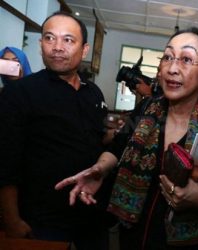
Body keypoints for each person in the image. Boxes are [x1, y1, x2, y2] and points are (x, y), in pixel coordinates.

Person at [55, 27, 198, 250]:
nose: (172, 68)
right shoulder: (146, 109)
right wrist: (101, 168)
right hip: (131, 237)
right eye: (168, 57)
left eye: (187, 59)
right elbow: (117, 148)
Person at [0, 11, 112, 250]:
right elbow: (5, 162)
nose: (57, 47)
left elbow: (98, 138)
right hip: (41, 221)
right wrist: (11, 220)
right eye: (50, 38)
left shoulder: (93, 93)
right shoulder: (19, 93)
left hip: (90, 216)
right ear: (41, 45)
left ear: (84, 50)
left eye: (68, 40)